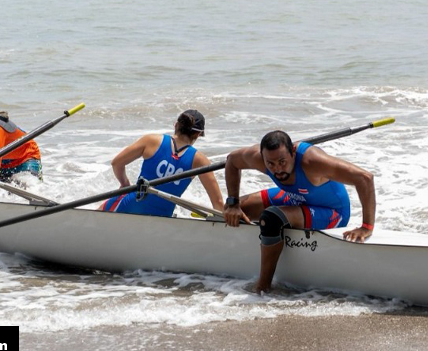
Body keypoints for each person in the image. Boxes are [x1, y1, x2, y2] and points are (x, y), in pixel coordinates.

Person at [222, 130, 377, 292]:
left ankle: (263, 286)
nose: (277, 169)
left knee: (271, 218)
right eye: (271, 164)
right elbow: (232, 160)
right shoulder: (258, 157)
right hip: (294, 197)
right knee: (236, 210)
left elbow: (365, 178)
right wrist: (232, 202)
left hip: (330, 211)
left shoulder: (313, 161)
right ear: (262, 157)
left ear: (293, 152)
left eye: (282, 162)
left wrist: (366, 227)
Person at [100, 110, 223, 217]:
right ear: (198, 134)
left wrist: (124, 183)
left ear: (176, 125)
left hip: (131, 205)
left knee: (103, 209)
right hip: (163, 216)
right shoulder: (201, 161)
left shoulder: (151, 140)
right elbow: (218, 202)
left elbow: (116, 163)